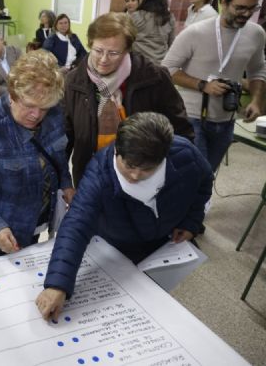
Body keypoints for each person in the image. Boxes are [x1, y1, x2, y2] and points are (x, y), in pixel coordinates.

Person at [35, 112, 213, 322]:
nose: (135, 175)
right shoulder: (100, 173)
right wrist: (58, 284)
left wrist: (190, 221)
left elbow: (203, 183)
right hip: (117, 246)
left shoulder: (186, 156)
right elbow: (76, 225)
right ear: (117, 151)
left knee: (153, 307)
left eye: (147, 169)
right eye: (129, 166)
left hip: (163, 246)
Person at [0, 50, 75, 260]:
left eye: (44, 108)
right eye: (29, 105)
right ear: (12, 95)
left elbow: (58, 154)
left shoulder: (54, 111)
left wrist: (66, 182)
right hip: (2, 227)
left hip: (40, 216)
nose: (36, 115)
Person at [64, 12, 193, 186]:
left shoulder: (154, 78)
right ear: (90, 44)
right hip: (90, 175)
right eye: (98, 50)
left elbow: (181, 131)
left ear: (127, 50)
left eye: (114, 53)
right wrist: (63, 181)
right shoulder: (73, 81)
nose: (103, 60)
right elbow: (65, 136)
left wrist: (168, 173)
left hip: (141, 177)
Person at [162, 0, 266, 172]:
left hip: (227, 119)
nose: (246, 14)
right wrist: (203, 85)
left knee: (208, 174)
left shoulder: (256, 34)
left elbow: (258, 69)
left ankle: (200, 203)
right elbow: (167, 69)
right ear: (224, 2)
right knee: (193, 173)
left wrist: (256, 100)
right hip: (191, 117)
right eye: (240, 8)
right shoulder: (195, 32)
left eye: (252, 9)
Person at [130, 0, 175, 64]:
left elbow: (127, 41)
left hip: (139, 63)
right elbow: (171, 43)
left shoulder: (136, 16)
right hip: (160, 63)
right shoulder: (169, 17)